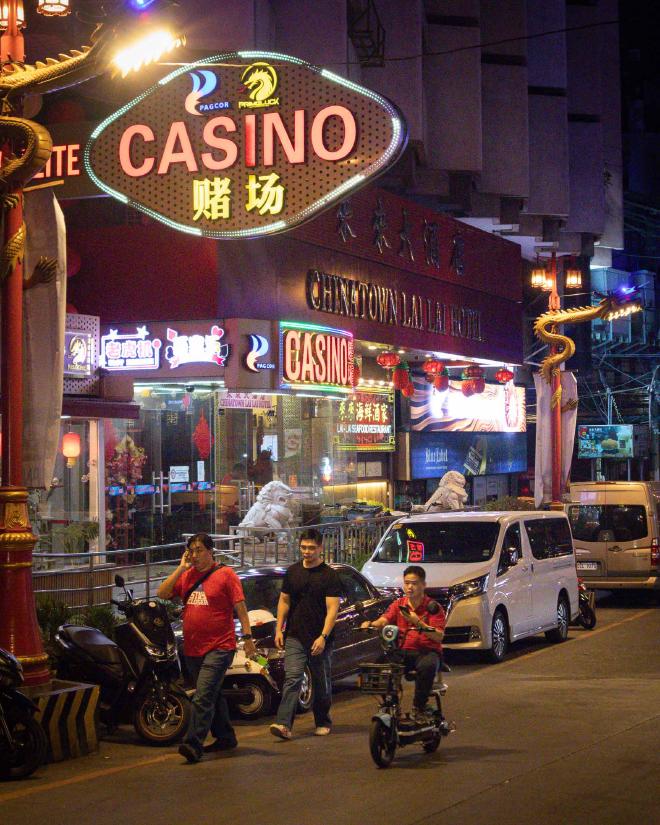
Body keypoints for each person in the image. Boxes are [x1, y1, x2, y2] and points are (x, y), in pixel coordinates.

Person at [158, 533, 256, 763]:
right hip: (193, 649)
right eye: (191, 550)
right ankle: (226, 737)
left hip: (220, 646)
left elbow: (240, 608)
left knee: (202, 696)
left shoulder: (226, 575)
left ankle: (193, 744)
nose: (194, 554)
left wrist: (248, 637)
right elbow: (162, 594)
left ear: (210, 551)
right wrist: (181, 569)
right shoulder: (188, 576)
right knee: (213, 693)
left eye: (199, 549)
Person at [269, 528, 341, 740]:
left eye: (311, 548)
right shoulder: (293, 572)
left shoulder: (329, 576)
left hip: (320, 638)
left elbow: (332, 610)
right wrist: (279, 628)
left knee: (320, 680)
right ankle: (283, 725)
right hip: (295, 635)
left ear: (320, 548)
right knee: (292, 678)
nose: (307, 552)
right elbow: (284, 601)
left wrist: (323, 637)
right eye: (303, 547)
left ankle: (323, 720)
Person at [361, 565, 445, 722]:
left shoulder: (433, 607)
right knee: (380, 666)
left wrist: (417, 622)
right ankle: (390, 704)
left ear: (423, 585)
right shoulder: (399, 604)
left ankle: (419, 707)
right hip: (402, 651)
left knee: (427, 666)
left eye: (414, 583)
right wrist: (371, 624)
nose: (410, 587)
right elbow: (384, 620)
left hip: (427, 652)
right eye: (407, 583)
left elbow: (439, 636)